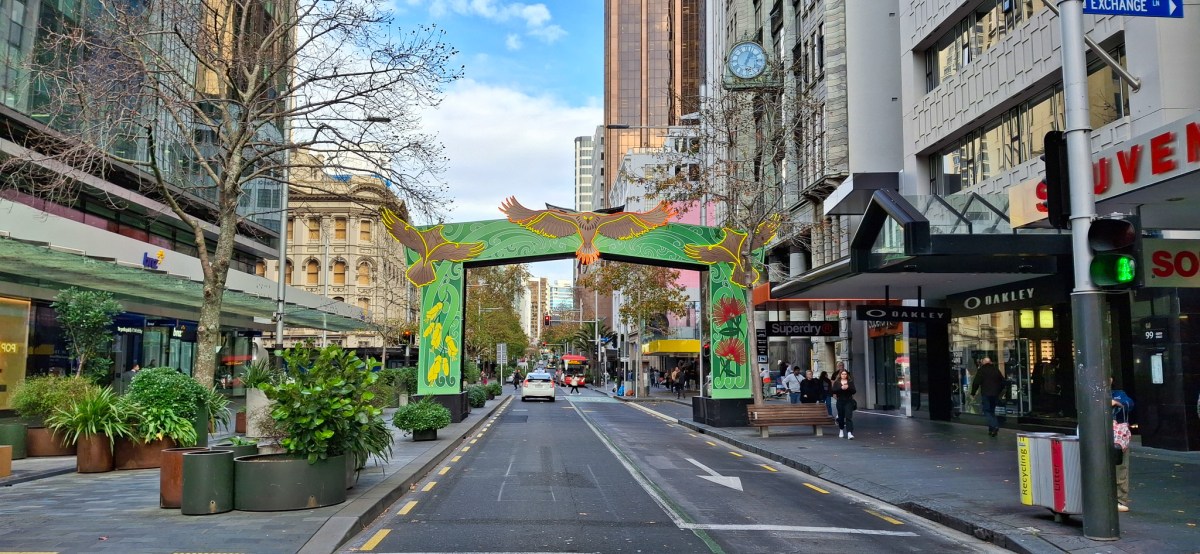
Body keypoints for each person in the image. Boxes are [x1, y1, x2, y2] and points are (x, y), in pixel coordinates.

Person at [1111, 379, 1135, 512]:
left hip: (1118, 436)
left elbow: (1129, 403)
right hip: (1101, 435)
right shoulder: (1092, 394)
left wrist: (1116, 402)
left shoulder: (1118, 394)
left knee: (1120, 467)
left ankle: (1120, 499)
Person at [970, 357, 1005, 437]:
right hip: (995, 394)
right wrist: (999, 391)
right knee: (992, 411)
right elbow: (1003, 382)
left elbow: (976, 383)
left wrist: (973, 393)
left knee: (987, 411)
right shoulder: (996, 370)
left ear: (983, 363)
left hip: (986, 394)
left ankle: (994, 425)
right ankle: (992, 430)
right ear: (990, 362)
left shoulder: (982, 370)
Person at [832, 367, 857, 439]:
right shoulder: (837, 382)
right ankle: (841, 430)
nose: (844, 375)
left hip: (848, 401)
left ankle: (849, 433)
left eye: (845, 374)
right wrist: (841, 388)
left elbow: (854, 391)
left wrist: (848, 388)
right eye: (842, 374)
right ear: (840, 375)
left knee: (849, 416)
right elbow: (833, 391)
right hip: (840, 401)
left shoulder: (850, 382)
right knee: (841, 416)